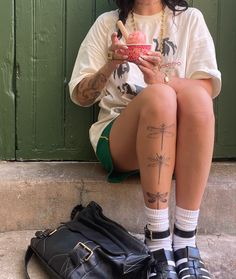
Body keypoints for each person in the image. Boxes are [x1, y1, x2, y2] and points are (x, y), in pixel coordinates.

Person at [69, 0, 221, 278]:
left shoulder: (189, 20)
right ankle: (159, 243)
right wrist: (111, 63)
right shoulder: (108, 23)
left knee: (190, 96)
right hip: (120, 139)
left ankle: (186, 243)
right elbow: (81, 96)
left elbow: (207, 87)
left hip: (176, 144)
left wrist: (161, 79)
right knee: (159, 97)